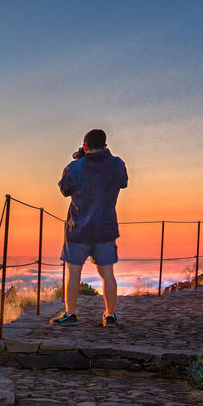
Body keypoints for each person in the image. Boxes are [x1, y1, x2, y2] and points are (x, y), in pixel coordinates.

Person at [50, 128, 129, 327]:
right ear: (105, 145)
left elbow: (64, 190)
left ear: (85, 146)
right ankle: (110, 316)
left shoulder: (75, 167)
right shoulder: (117, 165)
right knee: (108, 273)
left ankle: (70, 314)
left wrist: (79, 159)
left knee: (74, 272)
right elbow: (123, 183)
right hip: (105, 227)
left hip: (78, 228)